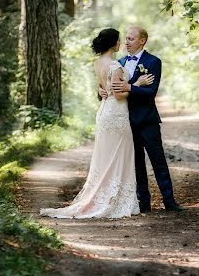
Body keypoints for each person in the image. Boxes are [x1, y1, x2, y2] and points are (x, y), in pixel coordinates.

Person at [39, 28, 153, 219]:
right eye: (119, 40)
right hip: (116, 114)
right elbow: (118, 94)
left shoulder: (97, 63)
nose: (122, 43)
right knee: (119, 156)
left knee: (105, 157)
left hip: (104, 112)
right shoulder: (115, 66)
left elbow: (103, 89)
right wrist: (137, 85)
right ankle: (113, 200)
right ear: (113, 43)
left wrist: (105, 90)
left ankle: (103, 196)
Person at [103, 26, 182, 213]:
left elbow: (150, 93)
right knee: (136, 164)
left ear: (142, 40)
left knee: (158, 161)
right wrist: (102, 93)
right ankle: (143, 203)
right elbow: (114, 91)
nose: (127, 42)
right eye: (126, 39)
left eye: (131, 39)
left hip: (147, 120)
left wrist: (129, 88)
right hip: (126, 120)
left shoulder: (153, 61)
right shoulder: (119, 63)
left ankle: (169, 201)